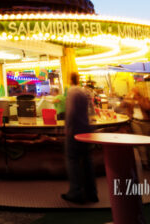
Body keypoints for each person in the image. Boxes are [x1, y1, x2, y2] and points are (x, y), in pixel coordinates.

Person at [61, 72, 98, 204]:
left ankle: (76, 192)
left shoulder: (71, 92)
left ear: (70, 79)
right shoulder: (84, 92)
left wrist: (67, 127)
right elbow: (90, 110)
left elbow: (70, 112)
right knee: (87, 160)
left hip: (74, 131)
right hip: (85, 129)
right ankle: (92, 192)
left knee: (72, 160)